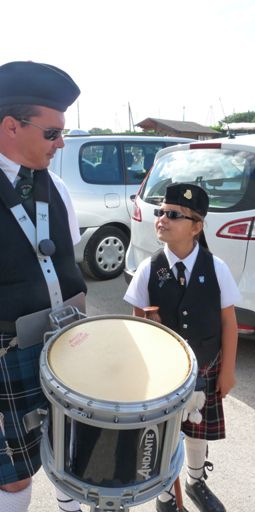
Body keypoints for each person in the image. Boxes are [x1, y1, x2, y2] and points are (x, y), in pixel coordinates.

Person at [0, 61, 87, 512]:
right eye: (51, 133)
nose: (61, 142)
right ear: (11, 126)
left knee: (69, 450)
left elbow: (67, 261)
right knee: (13, 473)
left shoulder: (57, 186)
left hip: (65, 340)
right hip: (6, 352)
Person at [124, 182, 240, 512]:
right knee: (162, 436)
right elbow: (137, 326)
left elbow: (229, 323)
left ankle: (195, 480)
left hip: (205, 366)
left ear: (197, 226)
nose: (162, 218)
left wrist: (228, 371)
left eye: (174, 214)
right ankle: (165, 495)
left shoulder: (216, 268)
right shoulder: (148, 269)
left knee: (196, 429)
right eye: (160, 212)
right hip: (164, 376)